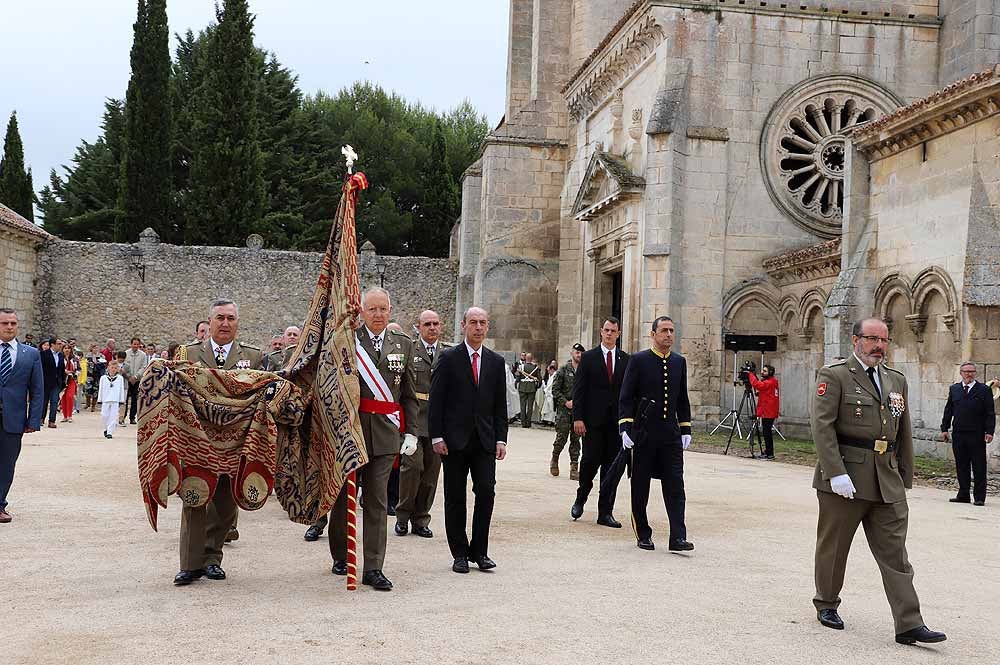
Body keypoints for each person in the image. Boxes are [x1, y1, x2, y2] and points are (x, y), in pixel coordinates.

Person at [811, 318, 945, 645]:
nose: (879, 346)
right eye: (872, 339)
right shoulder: (835, 375)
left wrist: (904, 473)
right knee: (835, 546)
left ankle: (909, 623)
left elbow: (903, 431)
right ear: (855, 340)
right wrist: (835, 472)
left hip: (886, 477)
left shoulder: (895, 379)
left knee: (895, 554)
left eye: (884, 340)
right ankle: (826, 603)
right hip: (847, 478)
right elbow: (822, 426)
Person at [328, 287, 418, 591]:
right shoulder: (348, 341)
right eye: (372, 309)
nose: (378, 315)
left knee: (378, 500)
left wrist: (412, 432)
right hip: (352, 433)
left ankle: (374, 567)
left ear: (390, 310)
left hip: (385, 435)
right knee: (345, 497)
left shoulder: (403, 345)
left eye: (383, 309)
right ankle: (342, 554)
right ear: (362, 311)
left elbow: (409, 395)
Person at [173, 300, 264, 586]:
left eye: (231, 318)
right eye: (220, 318)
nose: (225, 323)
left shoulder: (254, 357)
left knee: (225, 503)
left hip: (235, 442)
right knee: (194, 499)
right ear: (209, 322)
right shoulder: (188, 354)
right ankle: (190, 564)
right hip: (197, 440)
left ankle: (212, 559)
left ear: (238, 323)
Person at [429, 306, 508, 574]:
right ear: (463, 325)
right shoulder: (449, 358)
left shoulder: (496, 362)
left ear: (488, 326)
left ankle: (480, 551)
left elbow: (500, 405)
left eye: (482, 322)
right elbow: (436, 401)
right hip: (454, 441)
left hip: (485, 441)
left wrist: (501, 439)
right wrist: (436, 436)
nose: (478, 327)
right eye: (473, 322)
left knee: (486, 491)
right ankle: (460, 553)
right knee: (455, 497)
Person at [618, 316, 694, 552]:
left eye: (671, 330)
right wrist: (625, 427)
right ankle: (643, 533)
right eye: (664, 330)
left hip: (670, 435)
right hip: (644, 434)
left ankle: (678, 537)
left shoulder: (679, 362)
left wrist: (685, 428)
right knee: (640, 486)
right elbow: (626, 397)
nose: (669, 334)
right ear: (653, 334)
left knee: (675, 486)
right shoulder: (639, 360)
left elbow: (682, 398)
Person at [570, 317, 629, 527]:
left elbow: (628, 393)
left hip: (616, 425)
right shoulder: (589, 358)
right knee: (589, 463)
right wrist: (578, 418)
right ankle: (581, 498)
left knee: (612, 469)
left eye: (613, 331)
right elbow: (579, 390)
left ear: (618, 334)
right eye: (606, 330)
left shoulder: (626, 359)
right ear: (601, 332)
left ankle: (605, 512)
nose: (609, 333)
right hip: (592, 423)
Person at [395, 309, 447, 539]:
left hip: (438, 422)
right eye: (427, 324)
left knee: (431, 473)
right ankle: (403, 516)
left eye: (435, 324)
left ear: (441, 326)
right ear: (418, 327)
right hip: (414, 419)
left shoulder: (448, 353)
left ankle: (421, 519)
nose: (432, 328)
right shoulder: (409, 349)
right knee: (412, 468)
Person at [0, 308, 44, 524]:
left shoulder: (31, 354)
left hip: (13, 419)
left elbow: (37, 390)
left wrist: (33, 420)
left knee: (6, 465)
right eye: (5, 323)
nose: (9, 327)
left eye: (13, 323)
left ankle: (0, 505)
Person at [940, 362, 995, 506]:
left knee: (979, 465)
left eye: (971, 371)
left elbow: (990, 413)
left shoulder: (984, 390)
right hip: (959, 433)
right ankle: (963, 494)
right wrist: (944, 429)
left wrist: (989, 432)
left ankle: (979, 497)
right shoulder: (954, 389)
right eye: (966, 371)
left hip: (977, 434)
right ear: (961, 373)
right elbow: (948, 410)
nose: (969, 374)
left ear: (975, 373)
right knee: (961, 464)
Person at [549, 344, 583, 479]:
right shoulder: (563, 370)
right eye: (577, 352)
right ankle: (555, 459)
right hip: (564, 410)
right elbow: (555, 390)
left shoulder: (584, 370)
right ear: (572, 353)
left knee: (576, 440)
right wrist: (565, 402)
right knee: (561, 438)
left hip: (578, 411)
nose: (579, 355)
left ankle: (574, 468)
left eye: (581, 353)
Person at [747, 364, 780, 459]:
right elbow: (765, 391)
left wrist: (750, 374)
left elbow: (757, 384)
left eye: (765, 371)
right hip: (769, 410)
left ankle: (769, 453)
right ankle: (768, 452)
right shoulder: (772, 381)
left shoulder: (769, 382)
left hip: (768, 411)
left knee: (767, 432)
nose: (762, 372)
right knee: (766, 432)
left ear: (770, 372)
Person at [39, 338, 65, 429]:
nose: (60, 345)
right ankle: (41, 418)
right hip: (45, 382)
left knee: (54, 402)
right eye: (58, 344)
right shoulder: (44, 354)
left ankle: (52, 421)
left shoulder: (61, 355)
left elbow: (62, 369)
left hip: (56, 383)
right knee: (44, 401)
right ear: (52, 344)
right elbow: (40, 369)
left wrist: (63, 382)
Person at [97, 360, 126, 439]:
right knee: (104, 415)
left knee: (113, 416)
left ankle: (110, 432)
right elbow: (101, 389)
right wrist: (100, 399)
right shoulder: (103, 378)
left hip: (115, 399)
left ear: (118, 369)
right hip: (105, 399)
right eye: (112, 367)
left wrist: (121, 400)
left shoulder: (120, 378)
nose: (113, 369)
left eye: (115, 368)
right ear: (108, 368)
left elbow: (121, 389)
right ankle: (106, 428)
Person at [123, 337, 148, 425]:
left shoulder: (143, 355)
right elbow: (124, 366)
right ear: (131, 344)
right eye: (134, 344)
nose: (136, 346)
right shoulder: (126, 353)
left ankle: (132, 417)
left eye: (137, 344)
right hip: (127, 379)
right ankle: (123, 416)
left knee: (135, 400)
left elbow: (144, 367)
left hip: (137, 380)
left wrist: (136, 376)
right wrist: (129, 377)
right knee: (125, 399)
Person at [515, 353, 541, 428]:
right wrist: (537, 387)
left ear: (526, 358)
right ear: (532, 359)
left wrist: (516, 383)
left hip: (522, 387)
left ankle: (523, 423)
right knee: (530, 406)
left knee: (522, 406)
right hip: (532, 388)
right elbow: (539, 379)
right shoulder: (535, 367)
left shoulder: (521, 367)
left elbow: (518, 378)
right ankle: (528, 423)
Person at [59, 346, 79, 422]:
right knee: (63, 397)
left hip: (71, 380)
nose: (67, 350)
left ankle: (69, 415)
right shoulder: (60, 358)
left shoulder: (75, 359)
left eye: (68, 348)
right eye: (65, 348)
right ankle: (65, 416)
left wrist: (73, 373)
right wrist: (64, 371)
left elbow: (79, 369)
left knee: (70, 397)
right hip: (62, 380)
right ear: (63, 349)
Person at [84, 343, 106, 412]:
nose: (95, 349)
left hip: (97, 375)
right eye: (94, 348)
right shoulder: (87, 356)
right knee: (87, 389)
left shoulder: (101, 356)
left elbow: (103, 365)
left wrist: (97, 363)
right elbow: (84, 364)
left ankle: (93, 405)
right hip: (89, 375)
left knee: (95, 390)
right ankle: (88, 403)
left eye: (97, 348)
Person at [540, 361, 557, 425]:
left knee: (551, 409)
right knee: (546, 408)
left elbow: (551, 386)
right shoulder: (551, 376)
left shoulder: (555, 376)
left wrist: (546, 389)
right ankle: (546, 420)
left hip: (551, 395)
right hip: (548, 394)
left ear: (552, 370)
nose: (548, 372)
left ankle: (551, 420)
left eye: (549, 371)